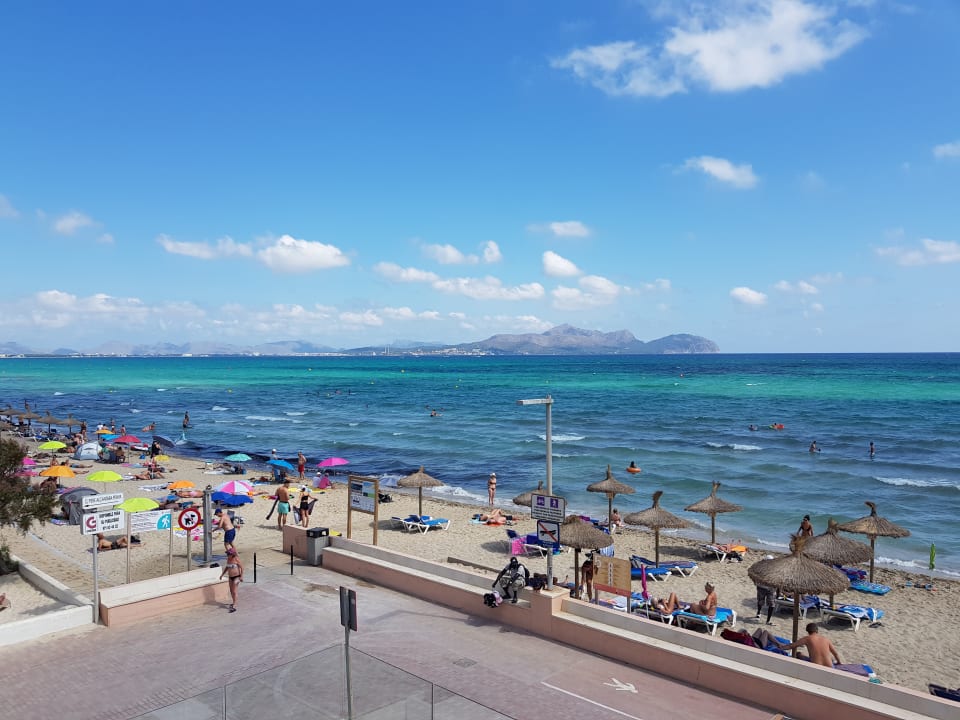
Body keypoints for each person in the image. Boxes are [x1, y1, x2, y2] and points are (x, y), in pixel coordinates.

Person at [219, 547, 243, 613]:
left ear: (232, 554)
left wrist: (241, 576)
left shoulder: (236, 559)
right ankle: (233, 601)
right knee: (231, 591)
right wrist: (222, 574)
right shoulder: (228, 560)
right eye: (227, 554)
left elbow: (242, 567)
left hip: (237, 577)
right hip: (230, 577)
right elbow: (227, 567)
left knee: (234, 591)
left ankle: (234, 604)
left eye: (229, 554)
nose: (227, 555)